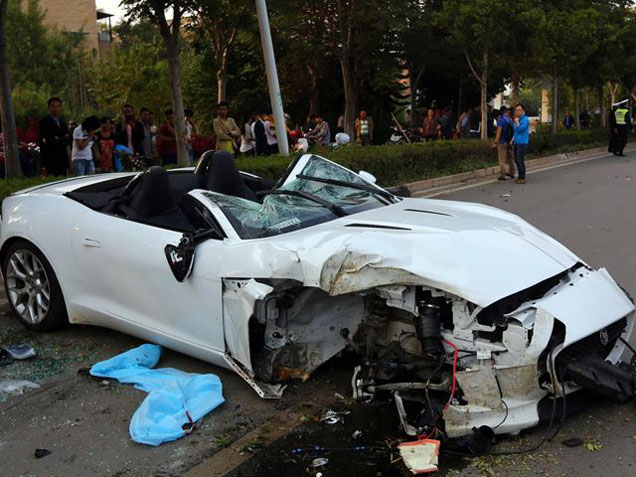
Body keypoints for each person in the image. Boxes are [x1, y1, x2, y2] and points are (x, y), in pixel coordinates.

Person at [39, 97, 70, 176]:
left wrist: (59, 138)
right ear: (49, 108)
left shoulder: (62, 122)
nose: (56, 109)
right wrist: (62, 138)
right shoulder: (44, 121)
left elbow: (69, 138)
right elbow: (49, 140)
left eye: (58, 106)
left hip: (62, 159)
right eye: (53, 106)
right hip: (50, 160)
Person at [492, 106, 515, 181]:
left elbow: (499, 133)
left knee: (502, 159)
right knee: (510, 158)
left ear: (497, 116)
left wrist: (495, 143)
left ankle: (502, 175)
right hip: (510, 142)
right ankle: (512, 173)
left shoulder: (500, 120)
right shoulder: (508, 119)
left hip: (502, 142)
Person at [512, 103, 530, 184]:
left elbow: (520, 129)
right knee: (516, 160)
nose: (517, 112)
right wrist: (512, 139)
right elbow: (515, 131)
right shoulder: (517, 119)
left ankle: (522, 178)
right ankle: (519, 176)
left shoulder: (525, 119)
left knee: (520, 160)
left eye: (519, 110)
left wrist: (517, 122)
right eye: (516, 110)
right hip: (516, 142)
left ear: (523, 111)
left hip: (522, 143)